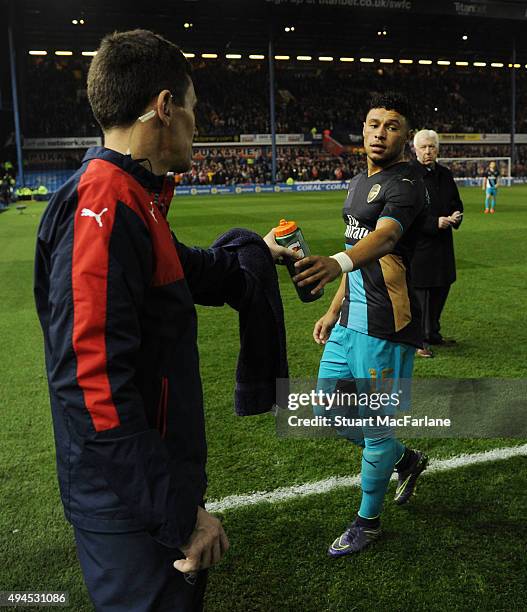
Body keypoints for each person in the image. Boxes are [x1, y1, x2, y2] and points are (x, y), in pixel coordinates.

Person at [33, 30, 292, 611]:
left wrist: (254, 258)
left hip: (142, 486)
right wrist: (176, 514)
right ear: (165, 108)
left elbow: (184, 268)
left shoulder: (130, 195)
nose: (198, 125)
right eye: (194, 110)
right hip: (126, 503)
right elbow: (92, 385)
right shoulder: (103, 206)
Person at [292, 93, 429, 557]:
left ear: (404, 136)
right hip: (350, 320)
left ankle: (367, 522)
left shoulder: (407, 183)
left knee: (374, 427)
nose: (380, 132)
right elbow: (358, 257)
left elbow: (387, 237)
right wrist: (332, 310)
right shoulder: (355, 184)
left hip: (387, 327)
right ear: (363, 128)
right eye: (374, 123)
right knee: (329, 410)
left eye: (392, 126)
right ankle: (406, 459)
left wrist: (334, 261)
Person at [410, 129, 463, 357]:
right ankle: (418, 341)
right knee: (420, 295)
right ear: (415, 149)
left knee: (442, 288)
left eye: (432, 146)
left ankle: (433, 334)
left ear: (438, 148)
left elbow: (456, 202)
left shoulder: (446, 174)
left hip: (443, 245)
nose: (428, 151)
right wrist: (434, 222)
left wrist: (456, 214)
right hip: (420, 247)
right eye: (423, 147)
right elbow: (407, 214)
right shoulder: (409, 175)